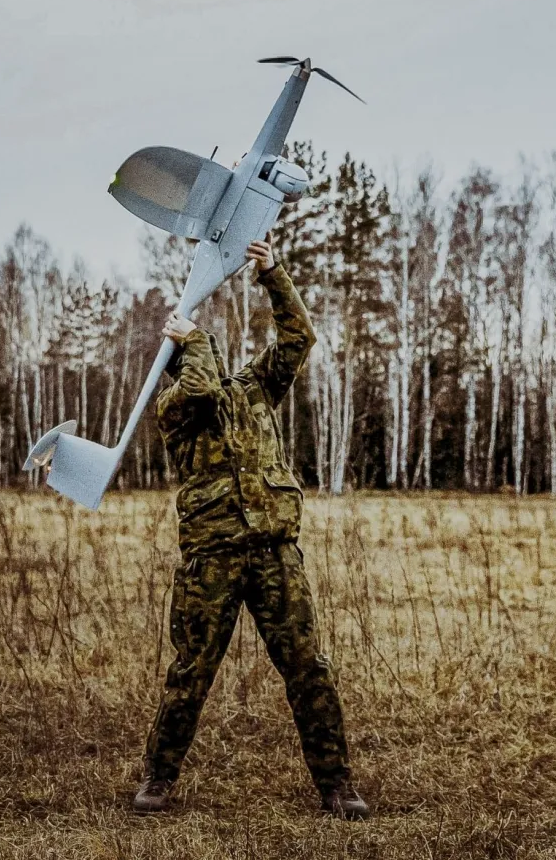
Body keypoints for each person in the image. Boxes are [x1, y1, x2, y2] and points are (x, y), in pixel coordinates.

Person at [133, 236, 368, 820]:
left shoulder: (255, 388)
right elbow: (203, 387)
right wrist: (193, 342)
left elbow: (298, 339)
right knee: (191, 672)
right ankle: (158, 779)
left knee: (308, 668)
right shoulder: (177, 408)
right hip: (212, 558)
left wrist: (271, 272)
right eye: (189, 351)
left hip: (274, 553)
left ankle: (337, 786)